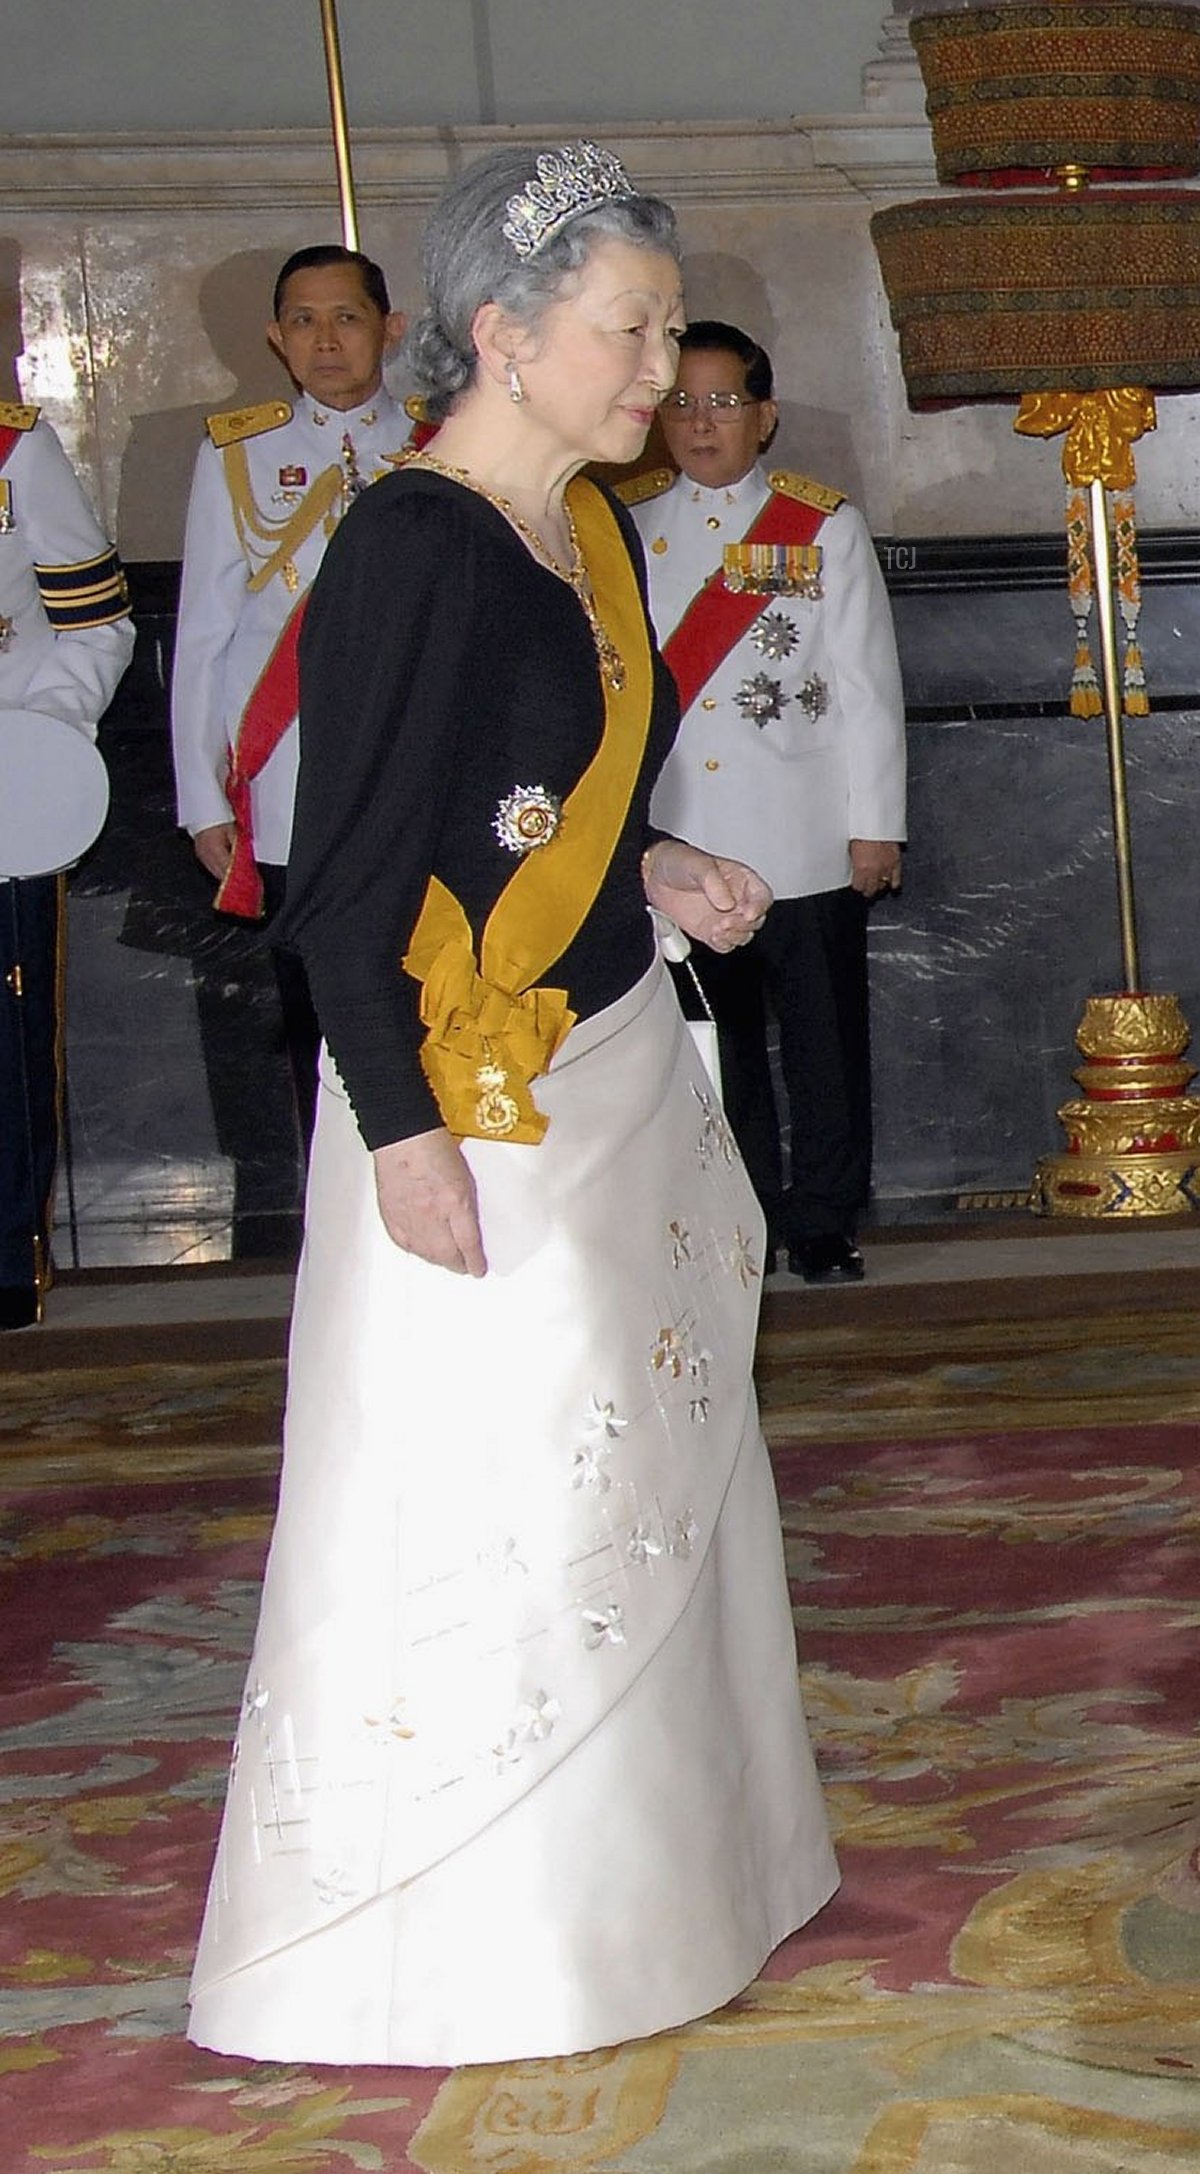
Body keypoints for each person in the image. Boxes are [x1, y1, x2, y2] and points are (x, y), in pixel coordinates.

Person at [187, 142, 838, 2069]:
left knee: (654, 1470)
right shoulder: (410, 540)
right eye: (627, 330)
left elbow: (545, 795)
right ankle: (486, 1927)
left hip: (615, 1051)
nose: (657, 368)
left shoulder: (590, 522)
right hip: (476, 1101)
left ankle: (681, 1879)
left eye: (659, 329)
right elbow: (354, 873)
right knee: (502, 1508)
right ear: (502, 333)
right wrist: (399, 1133)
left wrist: (664, 865)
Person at [623, 322, 906, 1284]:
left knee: (824, 1042)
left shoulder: (822, 525)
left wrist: (875, 825)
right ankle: (738, 1211)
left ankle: (825, 1218)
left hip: (804, 834)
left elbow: (866, 684)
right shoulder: (621, 527)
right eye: (683, 402)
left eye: (725, 402)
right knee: (716, 1045)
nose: (703, 424)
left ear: (766, 415)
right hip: (681, 841)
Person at [171, 244, 407, 1145]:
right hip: (290, 781)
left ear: (390, 328)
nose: (325, 340)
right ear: (275, 338)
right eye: (302, 321)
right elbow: (204, 636)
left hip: (411, 772)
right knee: (317, 1014)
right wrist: (203, 801)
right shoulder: (239, 455)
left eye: (345, 317)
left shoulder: (441, 444)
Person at [0, 398, 135, 1329]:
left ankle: (5, 1254)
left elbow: (96, 621)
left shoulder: (16, 447)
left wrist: (35, 743)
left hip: (3, 793)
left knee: (4, 1040)